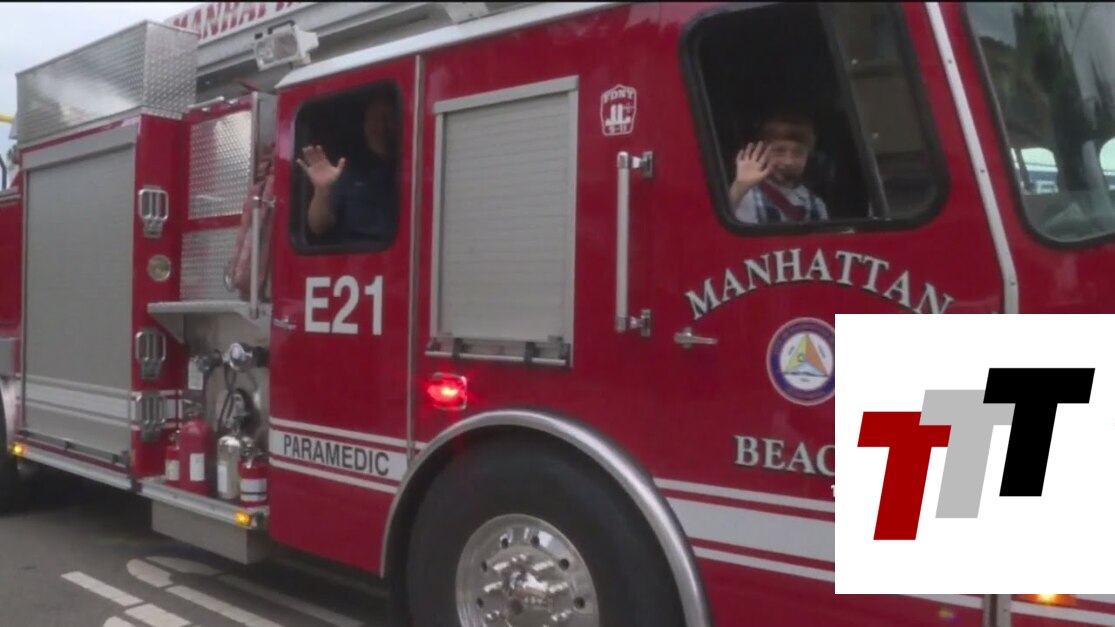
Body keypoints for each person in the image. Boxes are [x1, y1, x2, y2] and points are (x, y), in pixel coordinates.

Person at [297, 93, 398, 241]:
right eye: (375, 118)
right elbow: (318, 226)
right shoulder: (348, 170)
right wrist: (322, 191)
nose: (381, 125)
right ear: (365, 125)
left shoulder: (416, 165)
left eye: (388, 118)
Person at [729, 114, 829, 224]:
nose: (788, 161)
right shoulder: (747, 195)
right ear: (763, 152)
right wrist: (739, 187)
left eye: (798, 153)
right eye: (779, 151)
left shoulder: (816, 205)